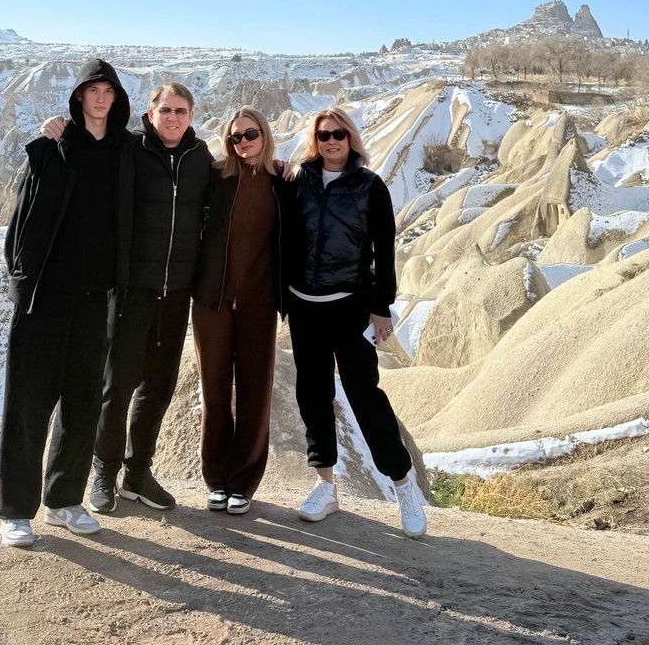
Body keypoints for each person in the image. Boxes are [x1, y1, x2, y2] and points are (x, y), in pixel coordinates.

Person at [0, 58, 131, 547]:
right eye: (91, 90)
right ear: (78, 97)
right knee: (29, 404)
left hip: (98, 299)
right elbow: (22, 216)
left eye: (107, 91)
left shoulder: (127, 151)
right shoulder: (54, 145)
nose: (99, 98)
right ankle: (15, 509)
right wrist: (21, 280)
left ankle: (63, 501)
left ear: (116, 98)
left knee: (81, 408)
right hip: (45, 298)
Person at [283, 107, 427, 539]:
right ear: (315, 139)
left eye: (339, 135)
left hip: (349, 306)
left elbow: (386, 250)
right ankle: (326, 488)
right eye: (324, 135)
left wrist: (381, 307)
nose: (331, 142)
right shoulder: (299, 182)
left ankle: (404, 486)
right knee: (313, 393)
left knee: (365, 395)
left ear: (351, 139)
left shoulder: (370, 186)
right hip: (304, 306)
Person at [89, 82, 213, 512]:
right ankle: (103, 470)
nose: (173, 117)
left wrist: (281, 169)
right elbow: (91, 149)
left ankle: (137, 471)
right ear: (151, 112)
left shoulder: (202, 160)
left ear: (191, 115)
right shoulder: (131, 149)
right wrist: (58, 129)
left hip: (176, 295)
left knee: (157, 387)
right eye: (166, 110)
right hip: (131, 291)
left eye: (181, 110)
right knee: (117, 384)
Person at [192, 108, 283, 516]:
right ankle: (216, 479)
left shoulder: (283, 181)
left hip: (259, 303)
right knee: (214, 392)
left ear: (264, 134)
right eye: (234, 138)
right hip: (211, 301)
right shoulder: (215, 177)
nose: (242, 143)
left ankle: (243, 483)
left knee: (253, 392)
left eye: (250, 134)